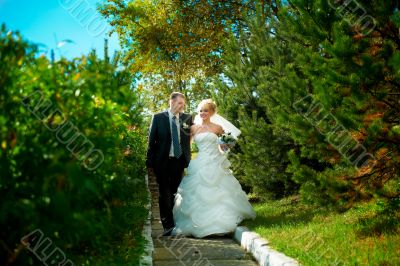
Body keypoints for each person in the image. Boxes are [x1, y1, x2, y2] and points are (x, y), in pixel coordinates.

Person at [172, 99, 256, 238]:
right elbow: (186, 146)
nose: (202, 113)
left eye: (206, 110)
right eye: (200, 110)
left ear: (212, 112)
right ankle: (198, 224)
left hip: (216, 161)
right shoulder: (193, 128)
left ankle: (223, 222)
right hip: (201, 162)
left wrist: (226, 145)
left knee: (221, 190)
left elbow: (223, 146)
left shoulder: (217, 127)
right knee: (199, 191)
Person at [146, 92, 193, 236]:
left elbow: (190, 137)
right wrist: (150, 162)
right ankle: (167, 225)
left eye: (183, 104)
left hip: (179, 161)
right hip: (162, 161)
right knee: (164, 192)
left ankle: (177, 222)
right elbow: (151, 141)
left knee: (176, 192)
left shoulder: (187, 118)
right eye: (179, 103)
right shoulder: (158, 117)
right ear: (171, 102)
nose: (182, 106)